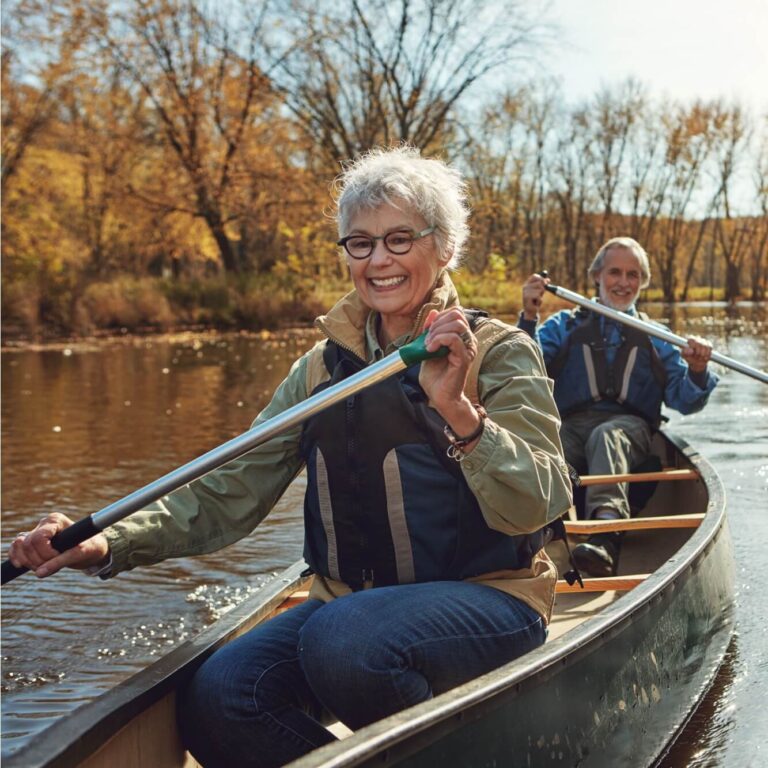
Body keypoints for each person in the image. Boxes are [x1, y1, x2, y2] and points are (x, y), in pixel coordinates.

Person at [9, 146, 572, 768]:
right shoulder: (317, 372)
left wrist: (460, 415)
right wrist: (106, 542)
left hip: (488, 600)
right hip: (345, 610)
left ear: (443, 248)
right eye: (360, 243)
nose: (378, 260)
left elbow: (541, 501)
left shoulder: (499, 351)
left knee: (345, 642)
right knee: (221, 699)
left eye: (399, 239)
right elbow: (226, 490)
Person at [519, 236, 717, 578]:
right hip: (571, 425)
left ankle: (605, 535)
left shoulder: (657, 336)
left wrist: (698, 369)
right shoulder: (562, 326)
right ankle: (536, 535)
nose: (624, 283)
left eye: (633, 275)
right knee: (546, 442)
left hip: (630, 430)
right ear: (597, 275)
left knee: (606, 436)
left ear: (642, 282)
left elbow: (685, 400)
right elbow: (521, 370)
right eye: (615, 272)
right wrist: (529, 315)